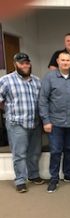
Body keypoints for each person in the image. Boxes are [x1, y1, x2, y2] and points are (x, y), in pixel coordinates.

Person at [0, 53, 44, 193]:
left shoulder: (37, 81)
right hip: (16, 124)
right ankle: (20, 180)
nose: (25, 65)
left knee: (35, 152)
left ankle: (33, 175)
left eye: (27, 63)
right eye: (21, 63)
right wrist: (9, 111)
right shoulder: (6, 80)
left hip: (35, 123)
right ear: (15, 64)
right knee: (19, 154)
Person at [39, 51, 70, 193]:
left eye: (67, 60)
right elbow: (43, 100)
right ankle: (54, 178)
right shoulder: (49, 77)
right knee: (56, 151)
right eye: (62, 60)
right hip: (55, 123)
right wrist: (46, 120)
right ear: (57, 61)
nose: (65, 62)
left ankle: (68, 174)